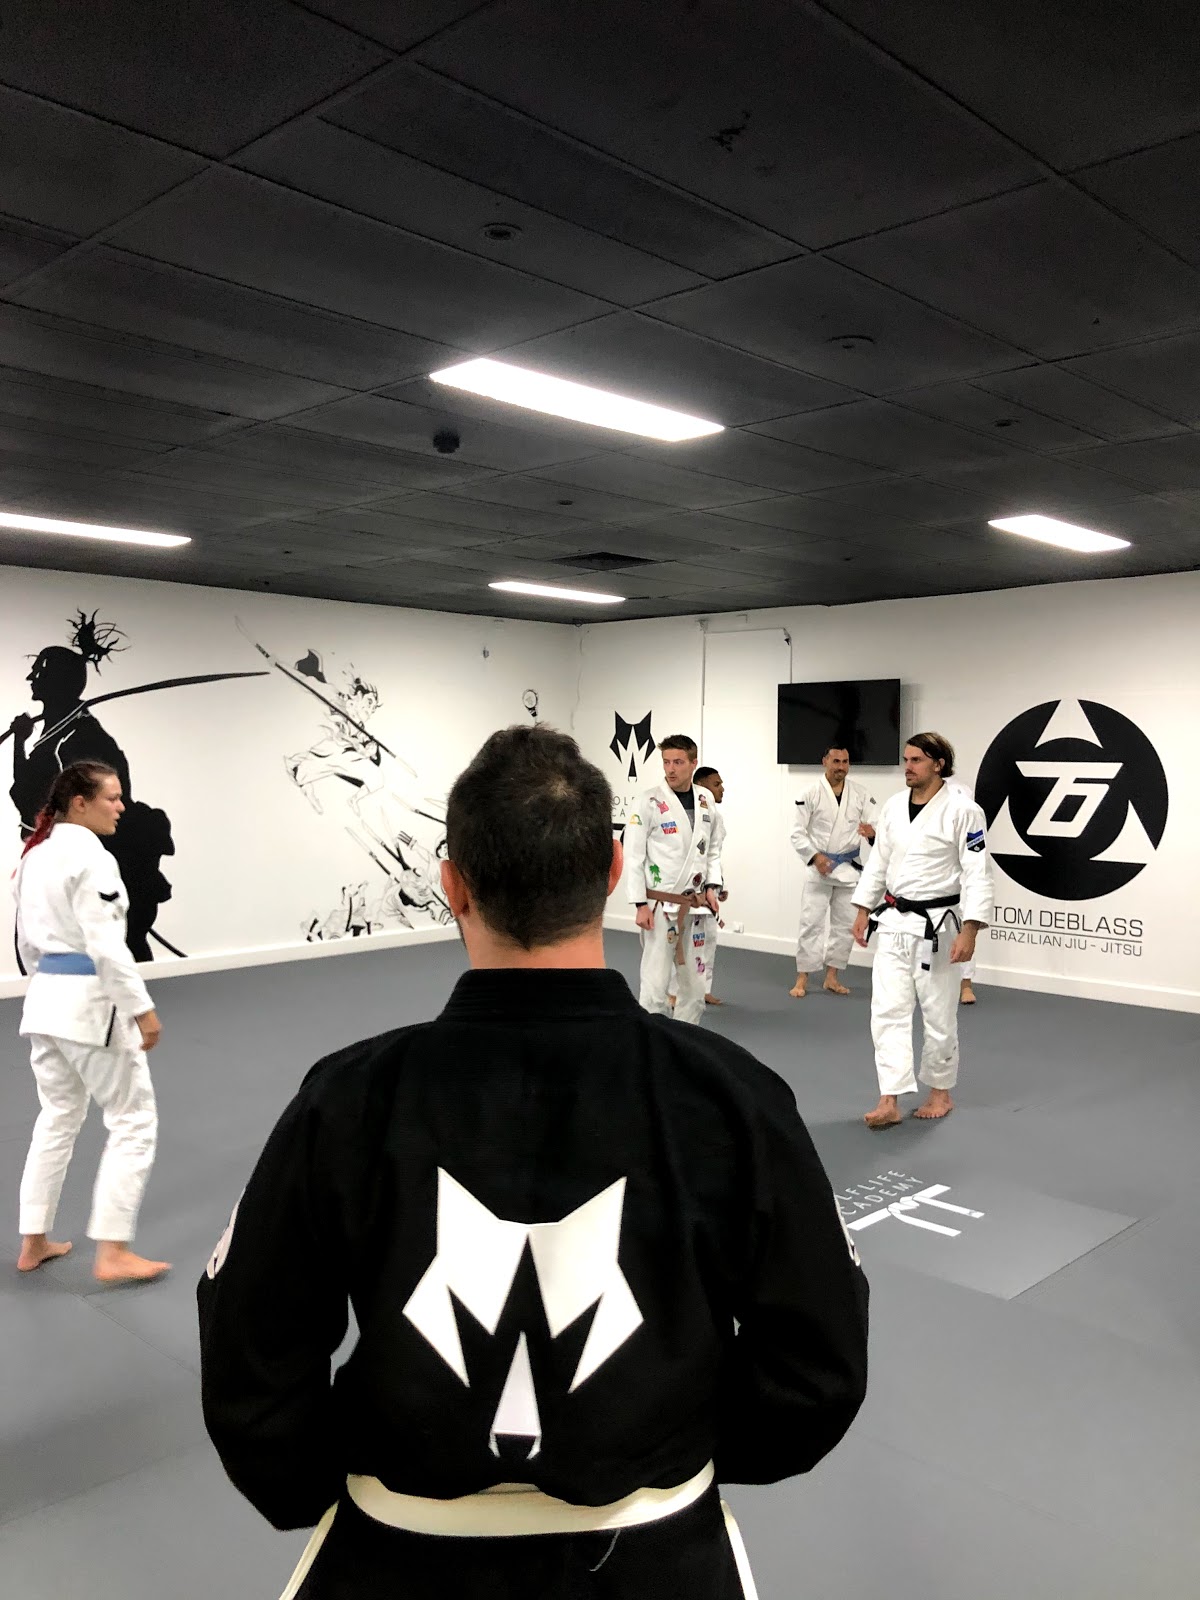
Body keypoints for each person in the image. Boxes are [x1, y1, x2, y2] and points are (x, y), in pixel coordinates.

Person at [197, 726, 868, 1600]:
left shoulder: (351, 1098)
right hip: (659, 1556)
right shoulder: (731, 1098)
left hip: (397, 1555)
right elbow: (819, 1366)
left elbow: (252, 1364)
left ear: (452, 885)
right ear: (617, 871)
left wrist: (347, 1484)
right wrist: (672, 1454)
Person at [13, 761, 169, 1283]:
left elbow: (26, 944)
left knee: (57, 1116)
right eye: (112, 797)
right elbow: (106, 946)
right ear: (79, 802)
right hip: (86, 1005)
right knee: (133, 1119)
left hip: (43, 1003)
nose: (121, 807)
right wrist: (140, 1008)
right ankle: (113, 1251)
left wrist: (47, 988)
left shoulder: (34, 855)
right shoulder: (91, 859)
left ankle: (33, 1241)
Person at [850, 733, 993, 1129]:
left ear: (938, 765)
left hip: (939, 927)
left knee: (938, 1013)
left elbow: (978, 875)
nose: (907, 767)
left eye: (916, 760)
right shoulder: (894, 807)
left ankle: (940, 1092)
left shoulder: (964, 811)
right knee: (886, 1011)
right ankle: (888, 1097)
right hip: (894, 921)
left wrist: (971, 931)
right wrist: (863, 909)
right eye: (906, 759)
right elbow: (879, 863)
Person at [624, 735, 723, 1025]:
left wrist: (712, 887)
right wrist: (639, 903)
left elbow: (713, 848)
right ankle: (652, 1035)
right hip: (659, 904)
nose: (670, 769)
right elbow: (633, 856)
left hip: (695, 905)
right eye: (666, 762)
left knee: (694, 982)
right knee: (655, 980)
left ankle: (687, 1034)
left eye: (678, 762)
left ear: (693, 763)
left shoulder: (705, 800)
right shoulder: (649, 801)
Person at [789, 748, 876, 999]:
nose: (841, 766)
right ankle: (802, 977)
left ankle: (832, 977)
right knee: (811, 923)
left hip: (849, 869)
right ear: (825, 762)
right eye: (836, 761)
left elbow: (876, 822)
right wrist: (815, 857)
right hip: (819, 869)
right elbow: (796, 832)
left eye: (845, 762)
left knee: (845, 926)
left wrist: (872, 831)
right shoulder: (810, 793)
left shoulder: (860, 793)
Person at [671, 767, 728, 1007]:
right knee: (678, 940)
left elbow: (712, 855)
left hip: (705, 891)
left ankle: (703, 988)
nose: (722, 788)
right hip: (681, 891)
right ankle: (674, 991)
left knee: (707, 941)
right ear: (702, 786)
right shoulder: (680, 814)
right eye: (716, 784)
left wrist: (717, 885)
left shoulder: (715, 816)